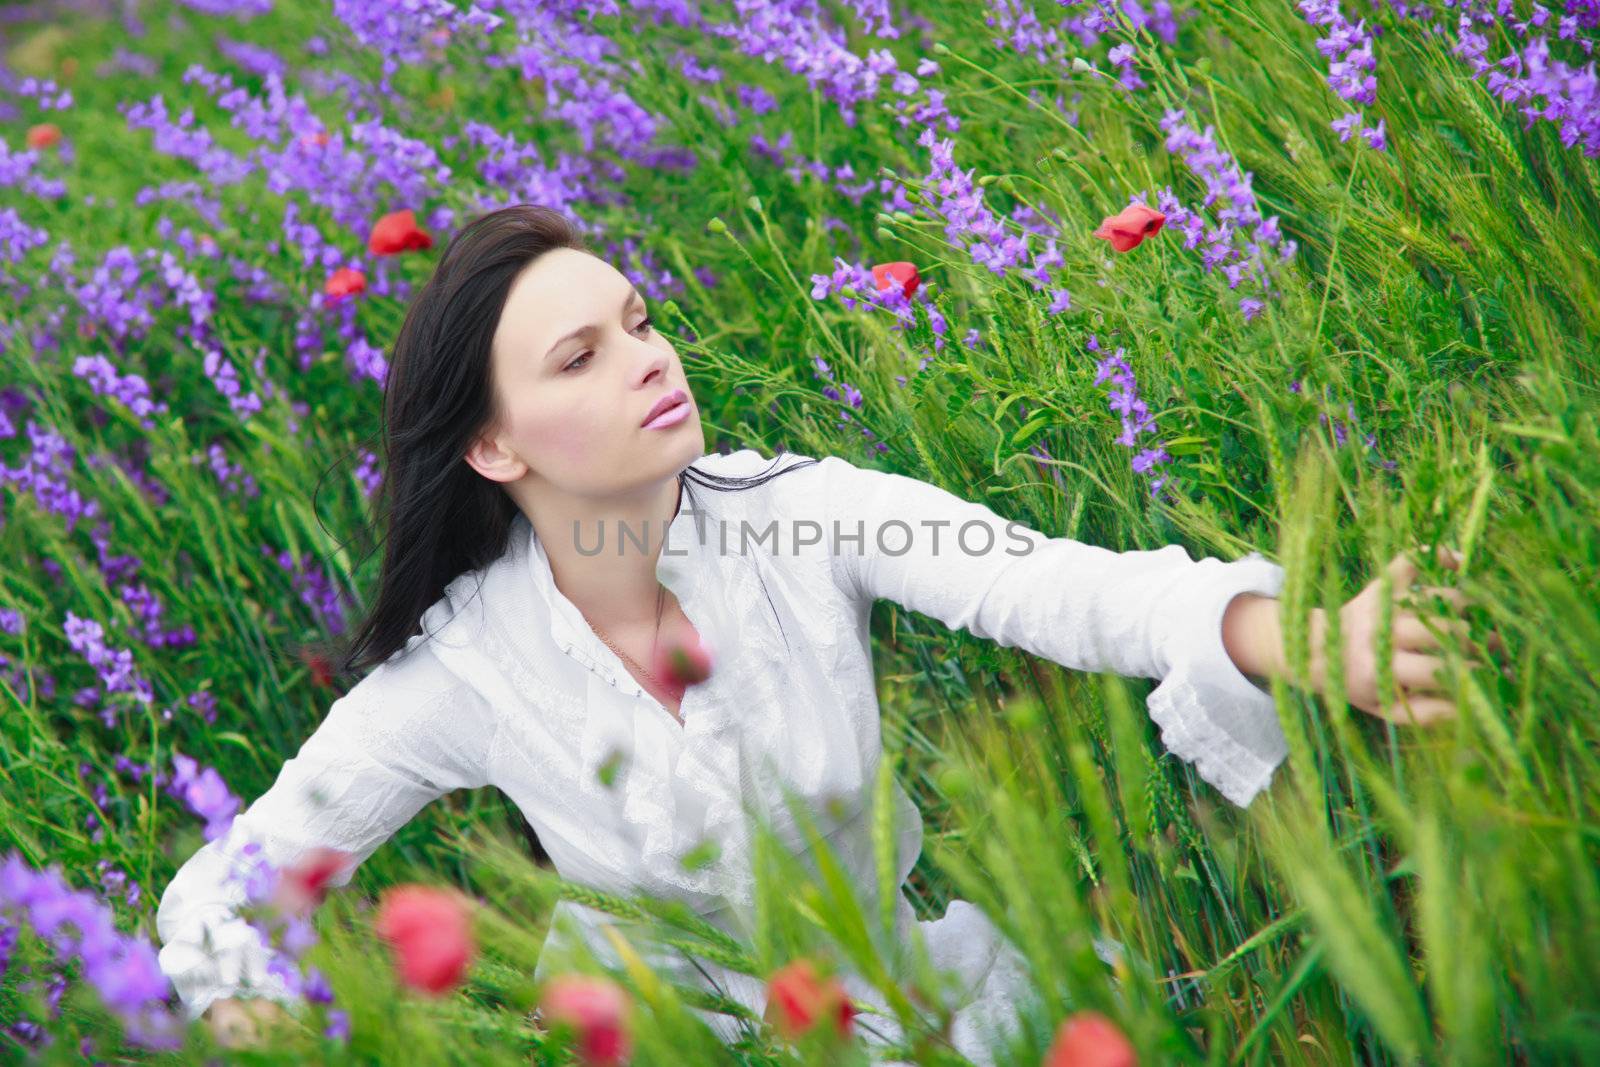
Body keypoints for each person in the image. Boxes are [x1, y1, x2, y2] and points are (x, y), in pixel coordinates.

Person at [157, 204, 1485, 1060]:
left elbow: (1068, 591)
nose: (651, 358)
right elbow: (232, 881)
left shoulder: (805, 515)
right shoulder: (465, 671)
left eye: (640, 321)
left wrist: (1298, 634)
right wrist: (239, 996)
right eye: (582, 358)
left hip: (922, 1013)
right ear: (494, 445)